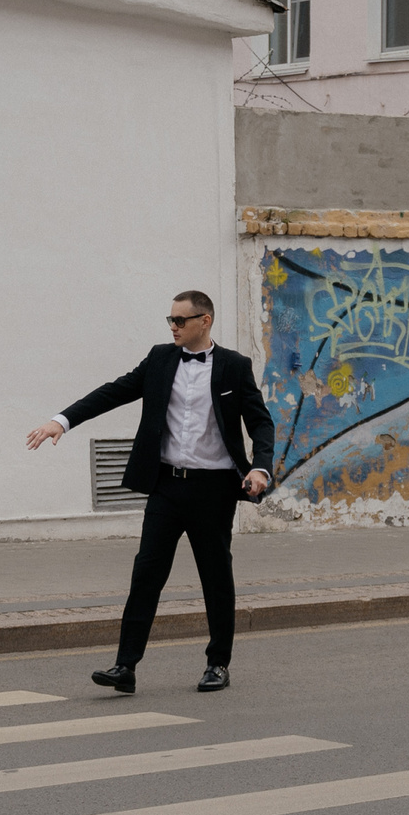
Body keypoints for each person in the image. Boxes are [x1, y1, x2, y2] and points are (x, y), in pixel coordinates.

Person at [27, 290, 274, 693]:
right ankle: (125, 666)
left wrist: (260, 467)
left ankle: (218, 664)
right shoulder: (160, 358)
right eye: (170, 321)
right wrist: (63, 421)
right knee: (145, 575)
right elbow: (114, 391)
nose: (173, 327)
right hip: (165, 487)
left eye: (180, 320)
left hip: (213, 490)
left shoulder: (233, 366)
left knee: (215, 577)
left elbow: (261, 423)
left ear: (205, 320)